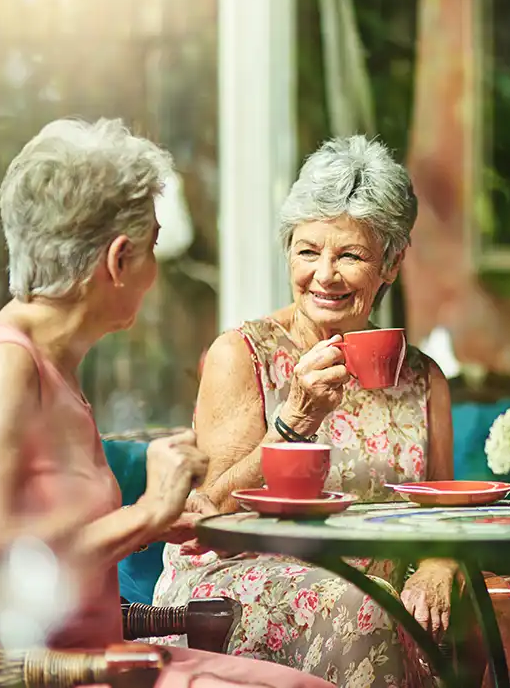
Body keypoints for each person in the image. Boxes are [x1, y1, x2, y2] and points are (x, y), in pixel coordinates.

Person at [0, 118, 332, 688]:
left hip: (91, 650)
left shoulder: (52, 368)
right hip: (21, 672)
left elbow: (43, 533)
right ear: (119, 261)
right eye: (152, 246)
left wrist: (155, 523)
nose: (154, 272)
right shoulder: (1, 368)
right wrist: (147, 511)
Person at [153, 136, 454, 688]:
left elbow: (443, 513)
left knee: (408, 609)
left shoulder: (423, 378)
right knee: (363, 608)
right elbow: (205, 517)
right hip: (233, 583)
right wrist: (293, 421)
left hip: (370, 591)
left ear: (391, 263)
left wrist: (440, 563)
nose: (325, 275)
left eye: (350, 255)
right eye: (308, 251)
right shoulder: (241, 354)